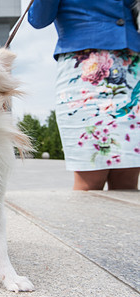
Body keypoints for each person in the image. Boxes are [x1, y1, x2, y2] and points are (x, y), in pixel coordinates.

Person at [28, 0, 140, 190]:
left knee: (127, 176)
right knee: (90, 178)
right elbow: (38, 18)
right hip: (84, 70)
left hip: (131, 67)